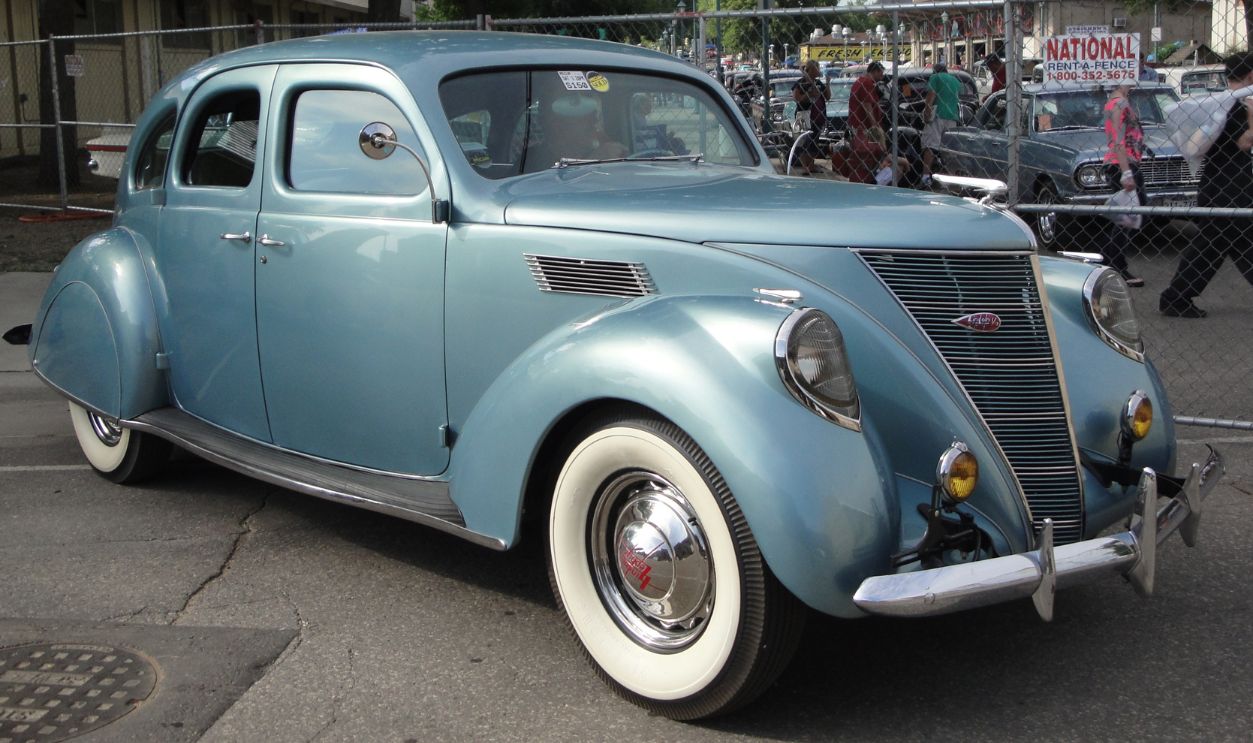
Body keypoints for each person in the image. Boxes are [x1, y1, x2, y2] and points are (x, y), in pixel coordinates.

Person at [1159, 51, 1253, 318]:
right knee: (1229, 243)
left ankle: (1175, 297)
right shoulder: (1237, 107)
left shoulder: (1218, 104)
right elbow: (1244, 142)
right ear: (1251, 75)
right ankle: (1175, 297)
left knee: (1216, 246)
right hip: (1230, 188)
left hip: (1218, 184)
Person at [1101, 81, 1147, 286]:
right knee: (1125, 220)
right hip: (1123, 164)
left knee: (1125, 219)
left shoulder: (1115, 101)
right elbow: (1118, 140)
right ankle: (1117, 268)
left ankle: (1109, 262)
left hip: (1123, 162)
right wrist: (1126, 172)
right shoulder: (1120, 104)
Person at [523, 92, 626, 172]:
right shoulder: (532, 160)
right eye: (583, 114)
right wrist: (592, 161)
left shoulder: (602, 151)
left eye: (594, 115)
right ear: (556, 123)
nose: (594, 121)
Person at [921, 61, 960, 186]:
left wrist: (927, 113)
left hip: (938, 116)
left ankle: (926, 176)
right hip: (952, 117)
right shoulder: (955, 81)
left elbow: (931, 95)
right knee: (947, 149)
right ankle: (948, 177)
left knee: (930, 146)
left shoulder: (935, 77)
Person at [847, 61, 886, 183]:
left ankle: (862, 179)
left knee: (861, 158)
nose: (882, 75)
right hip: (864, 127)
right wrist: (875, 126)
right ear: (874, 71)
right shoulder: (867, 83)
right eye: (880, 72)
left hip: (857, 125)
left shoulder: (859, 81)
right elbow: (867, 104)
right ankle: (871, 180)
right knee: (871, 155)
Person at [790, 60, 829, 174]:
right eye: (817, 68)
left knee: (814, 141)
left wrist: (827, 84)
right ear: (811, 69)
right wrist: (809, 93)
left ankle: (811, 165)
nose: (819, 70)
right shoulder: (800, 83)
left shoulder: (818, 83)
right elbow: (797, 98)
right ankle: (805, 166)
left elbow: (827, 96)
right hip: (804, 115)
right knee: (804, 141)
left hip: (818, 116)